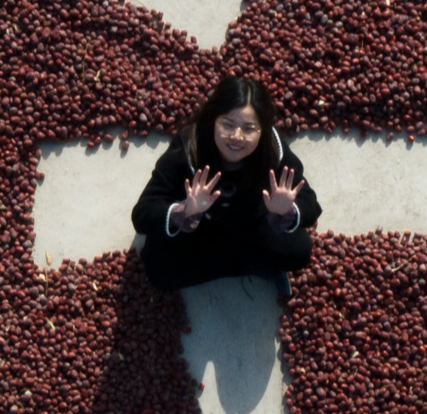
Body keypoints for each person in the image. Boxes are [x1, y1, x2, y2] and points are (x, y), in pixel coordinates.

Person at [130, 75, 320, 297]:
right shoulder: (188, 150)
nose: (236, 137)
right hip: (199, 231)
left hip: (252, 225)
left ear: (263, 130)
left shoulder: (273, 152)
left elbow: (311, 205)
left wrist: (286, 210)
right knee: (158, 270)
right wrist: (184, 210)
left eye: (249, 128)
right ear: (213, 120)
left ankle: (237, 263)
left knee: (299, 252)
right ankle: (252, 265)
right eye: (227, 124)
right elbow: (141, 215)